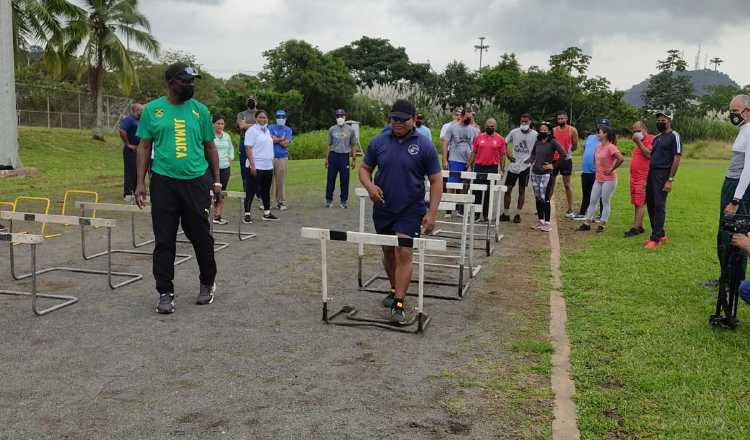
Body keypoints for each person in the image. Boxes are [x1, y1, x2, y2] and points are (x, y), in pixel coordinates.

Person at [134, 63, 221, 314]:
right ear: (171, 82)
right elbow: (144, 146)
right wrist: (140, 182)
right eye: (186, 81)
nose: (191, 86)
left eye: (193, 81)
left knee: (200, 237)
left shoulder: (200, 111)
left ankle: (207, 283)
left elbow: (210, 147)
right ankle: (165, 292)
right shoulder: (153, 110)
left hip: (196, 181)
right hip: (163, 182)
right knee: (164, 240)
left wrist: (216, 181)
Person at [359, 99, 442, 325]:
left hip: (410, 209)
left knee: (403, 252)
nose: (396, 123)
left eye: (402, 120)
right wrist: (370, 186)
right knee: (388, 251)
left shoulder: (424, 145)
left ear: (413, 120)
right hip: (384, 207)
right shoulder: (379, 141)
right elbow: (365, 169)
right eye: (393, 119)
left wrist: (432, 212)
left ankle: (399, 303)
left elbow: (436, 181)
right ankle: (395, 287)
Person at [716, 96, 750, 289]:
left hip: (740, 188)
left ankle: (735, 281)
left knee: (737, 233)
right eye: (731, 111)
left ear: (748, 110)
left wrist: (736, 199)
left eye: (736, 111)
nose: (732, 115)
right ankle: (725, 277)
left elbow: (748, 169)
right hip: (730, 183)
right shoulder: (743, 130)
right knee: (724, 232)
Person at [645, 110, 682, 249]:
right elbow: (650, 154)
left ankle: (655, 239)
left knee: (659, 205)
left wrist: (670, 179)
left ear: (669, 120)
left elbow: (677, 158)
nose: (660, 122)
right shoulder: (657, 137)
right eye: (659, 119)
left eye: (663, 120)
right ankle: (660, 233)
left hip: (663, 173)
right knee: (651, 203)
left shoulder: (674, 136)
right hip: (652, 172)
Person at [577, 126, 625, 233]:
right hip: (598, 178)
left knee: (605, 200)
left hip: (609, 180)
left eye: (599, 133)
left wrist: (611, 169)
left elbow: (621, 158)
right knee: (592, 200)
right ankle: (587, 223)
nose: (597, 135)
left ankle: (602, 224)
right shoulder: (598, 146)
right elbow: (596, 159)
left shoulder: (611, 147)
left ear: (606, 134)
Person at [527, 122, 567, 232]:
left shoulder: (553, 142)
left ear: (549, 131)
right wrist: (529, 162)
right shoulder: (538, 142)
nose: (542, 131)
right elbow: (533, 154)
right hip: (535, 173)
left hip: (546, 174)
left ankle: (547, 223)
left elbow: (563, 154)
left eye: (545, 130)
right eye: (541, 129)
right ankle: (540, 221)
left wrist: (553, 165)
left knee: (545, 198)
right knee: (538, 197)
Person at [467, 118, 506, 222]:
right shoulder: (478, 137)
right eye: (488, 126)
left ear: (495, 127)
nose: (490, 127)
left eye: (492, 126)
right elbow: (474, 152)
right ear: (485, 126)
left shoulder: (500, 139)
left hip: (492, 168)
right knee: (477, 191)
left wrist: (502, 169)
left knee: (489, 193)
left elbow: (502, 155)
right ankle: (476, 214)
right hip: (479, 167)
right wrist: (469, 165)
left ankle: (486, 215)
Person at [501, 113, 537, 223]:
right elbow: (504, 142)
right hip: (513, 166)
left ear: (530, 122)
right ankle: (506, 213)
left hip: (525, 167)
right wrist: (508, 154)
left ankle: (517, 214)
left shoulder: (535, 135)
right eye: (522, 121)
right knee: (508, 190)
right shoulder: (514, 132)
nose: (524, 123)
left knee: (522, 191)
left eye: (526, 121)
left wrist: (531, 159)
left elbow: (539, 148)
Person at [243, 110, 278, 223]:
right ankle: (247, 214)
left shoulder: (267, 130)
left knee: (266, 190)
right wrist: (252, 165)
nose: (263, 119)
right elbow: (248, 148)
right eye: (260, 117)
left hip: (267, 166)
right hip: (256, 165)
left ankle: (266, 213)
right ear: (256, 118)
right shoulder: (251, 130)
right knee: (251, 190)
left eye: (264, 117)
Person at [624, 120, 655, 237]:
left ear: (644, 129)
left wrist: (638, 142)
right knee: (637, 202)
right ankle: (639, 225)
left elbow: (648, 154)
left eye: (638, 130)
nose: (636, 133)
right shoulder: (638, 141)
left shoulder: (651, 139)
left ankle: (635, 228)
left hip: (644, 176)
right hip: (635, 176)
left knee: (641, 202)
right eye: (634, 131)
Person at [574, 119, 609, 221]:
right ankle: (583, 212)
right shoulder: (590, 137)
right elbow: (584, 149)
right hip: (586, 170)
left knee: (601, 194)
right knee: (586, 193)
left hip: (597, 171)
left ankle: (601, 215)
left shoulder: (607, 141)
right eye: (600, 126)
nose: (600, 129)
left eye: (603, 127)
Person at [325, 109, 358, 208]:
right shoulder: (332, 129)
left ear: (345, 117)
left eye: (341, 116)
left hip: (344, 157)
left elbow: (353, 145)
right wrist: (326, 159)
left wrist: (354, 159)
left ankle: (343, 201)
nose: (340, 118)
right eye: (338, 116)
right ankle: (328, 200)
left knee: (344, 180)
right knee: (330, 179)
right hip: (333, 156)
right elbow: (328, 145)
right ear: (335, 117)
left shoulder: (350, 130)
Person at [551, 111, 579, 218]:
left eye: (562, 118)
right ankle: (546, 205)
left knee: (567, 184)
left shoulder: (572, 130)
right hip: (554, 160)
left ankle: (570, 208)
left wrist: (568, 151)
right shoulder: (553, 130)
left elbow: (575, 145)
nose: (560, 121)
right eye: (559, 119)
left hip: (566, 159)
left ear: (566, 119)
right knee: (551, 183)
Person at [442, 109, 477, 183]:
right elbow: (445, 143)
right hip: (455, 160)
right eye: (467, 117)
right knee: (452, 184)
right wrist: (445, 160)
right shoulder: (452, 127)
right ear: (462, 116)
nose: (469, 119)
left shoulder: (473, 130)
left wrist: (471, 163)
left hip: (468, 161)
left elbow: (475, 148)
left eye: (470, 118)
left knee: (465, 185)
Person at [212, 114, 234, 225]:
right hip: (212, 169)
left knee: (222, 193)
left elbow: (231, 149)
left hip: (225, 168)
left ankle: (218, 216)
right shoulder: (210, 136)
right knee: (213, 192)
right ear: (213, 124)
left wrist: (230, 159)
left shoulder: (227, 136)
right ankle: (209, 215)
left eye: (222, 123)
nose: (220, 126)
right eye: (218, 123)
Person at [119, 103, 143, 200]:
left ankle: (136, 190)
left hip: (139, 148)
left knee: (138, 170)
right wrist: (128, 144)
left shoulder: (140, 120)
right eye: (142, 110)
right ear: (136, 110)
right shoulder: (130, 119)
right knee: (130, 170)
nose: (143, 112)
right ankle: (127, 193)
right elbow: (121, 130)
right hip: (131, 149)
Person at [269, 109, 293, 210]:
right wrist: (281, 139)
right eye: (278, 117)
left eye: (282, 117)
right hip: (270, 157)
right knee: (268, 181)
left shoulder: (288, 130)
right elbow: (269, 140)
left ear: (285, 118)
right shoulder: (270, 127)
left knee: (280, 181)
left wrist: (276, 139)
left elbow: (286, 144)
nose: (280, 119)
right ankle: (267, 202)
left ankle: (281, 202)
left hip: (282, 157)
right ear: (275, 118)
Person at [237, 96, 257, 201]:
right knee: (244, 169)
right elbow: (241, 126)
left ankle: (258, 193)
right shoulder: (241, 114)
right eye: (249, 100)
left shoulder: (260, 114)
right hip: (243, 141)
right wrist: (256, 124)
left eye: (252, 100)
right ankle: (246, 192)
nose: (251, 102)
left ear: (256, 102)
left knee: (257, 167)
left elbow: (264, 125)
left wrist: (247, 124)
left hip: (256, 144)